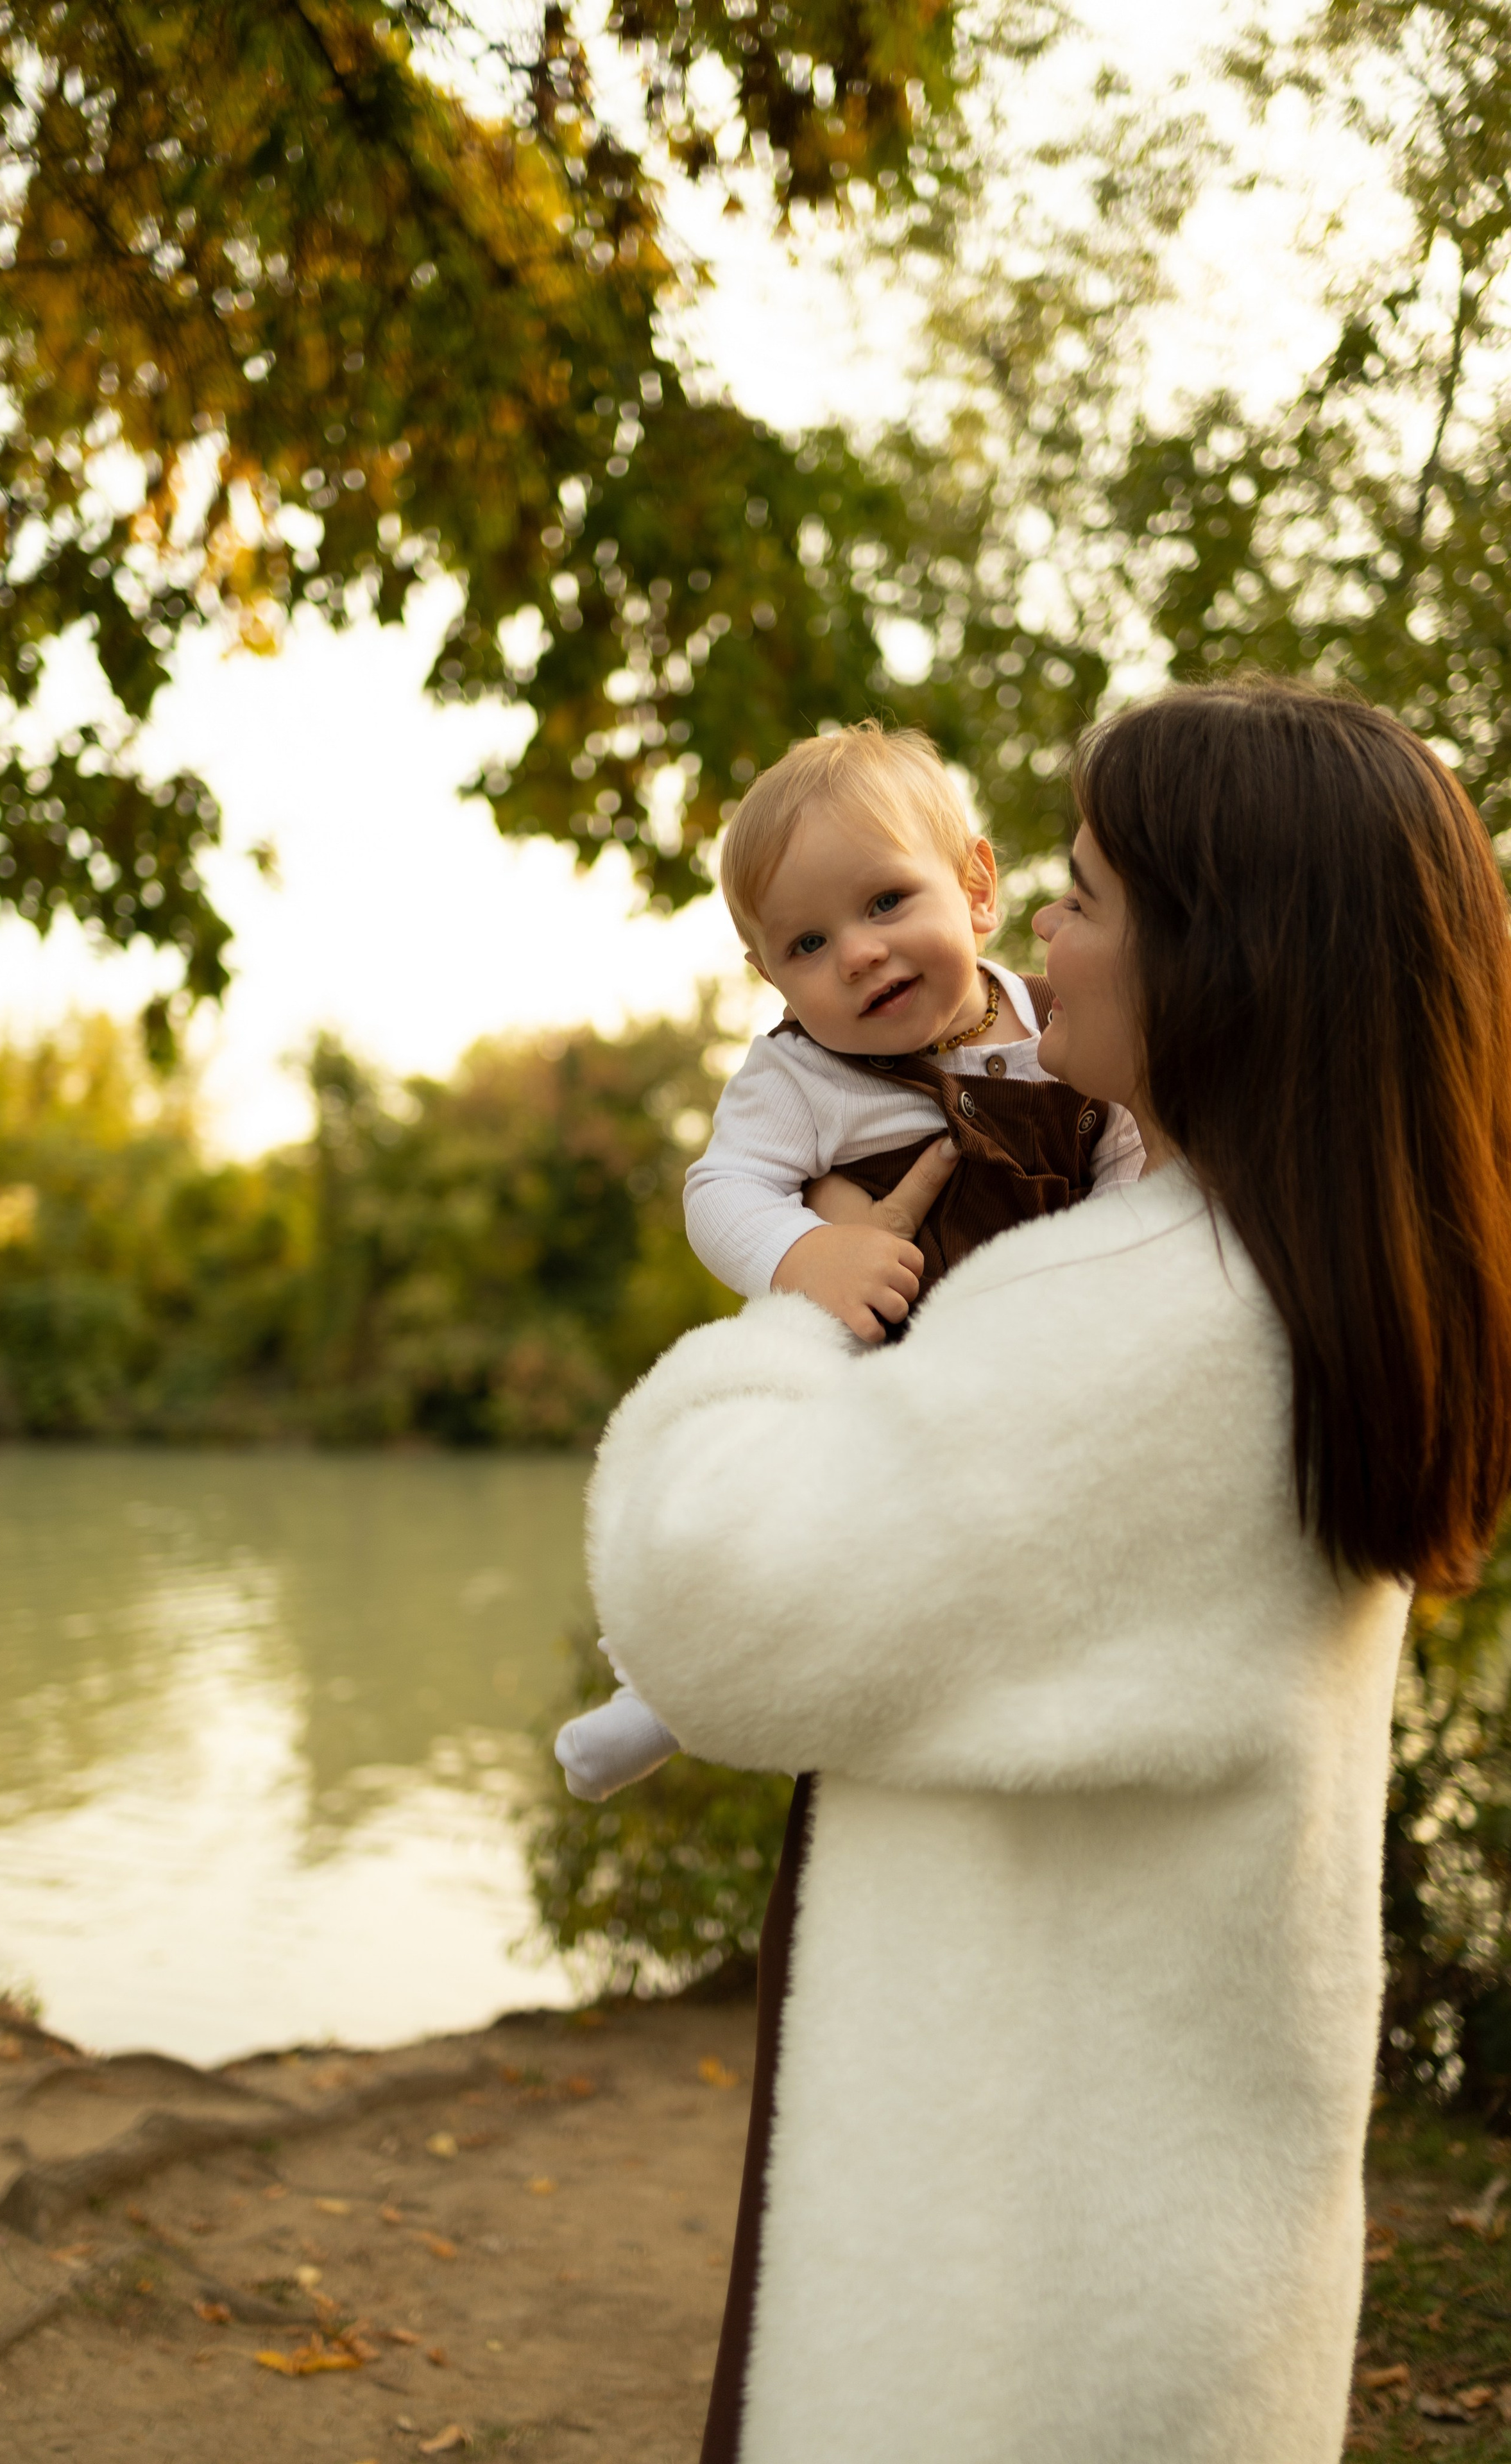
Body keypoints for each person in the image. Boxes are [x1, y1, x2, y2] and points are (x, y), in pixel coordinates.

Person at [585, 678, 1511, 2463]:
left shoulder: (1121, 1319)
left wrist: (796, 1324)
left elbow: (709, 1600)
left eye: (1081, 897)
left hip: (1000, 2219)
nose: (1046, 944)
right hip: (1174, 2168)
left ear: (1220, 957)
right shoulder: (1318, 1277)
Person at [555, 723, 1143, 1802]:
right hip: (883, 1356)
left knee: (975, 1552)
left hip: (1035, 1352)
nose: (858, 954)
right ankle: (669, 1683)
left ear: (976, 887)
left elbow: (1124, 1149)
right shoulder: (800, 1077)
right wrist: (807, 1253)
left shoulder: (1060, 1024)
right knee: (788, 1527)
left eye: (885, 902)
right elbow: (720, 1190)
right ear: (769, 978)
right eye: (807, 945)